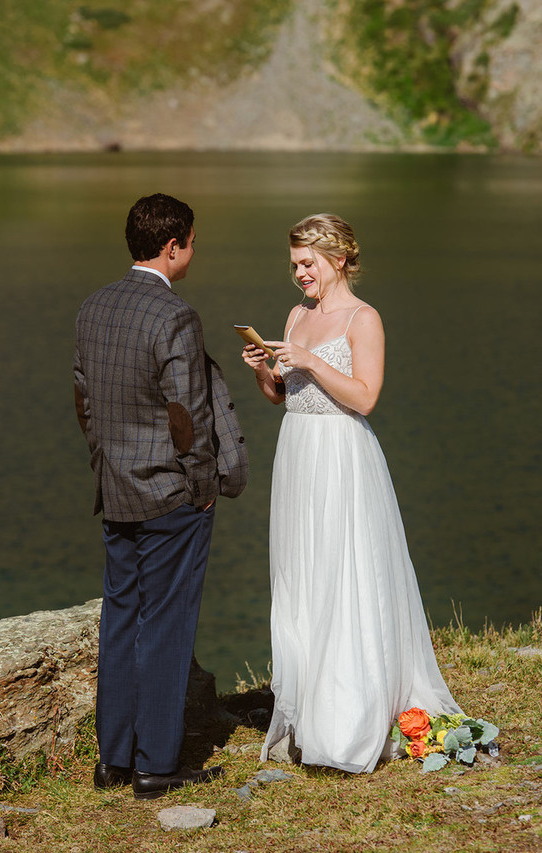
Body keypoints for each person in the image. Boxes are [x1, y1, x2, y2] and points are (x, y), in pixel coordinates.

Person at [242, 213, 461, 773]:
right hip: (298, 455)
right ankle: (308, 706)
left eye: (307, 263)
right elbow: (283, 397)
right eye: (294, 265)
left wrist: (311, 361)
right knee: (305, 574)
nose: (299, 275)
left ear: (338, 259)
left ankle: (348, 719)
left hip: (343, 456)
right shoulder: (296, 315)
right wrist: (265, 372)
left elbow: (365, 398)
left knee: (346, 572)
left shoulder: (364, 319)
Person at [74, 192, 247, 799]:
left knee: (121, 617)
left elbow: (84, 403)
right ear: (173, 246)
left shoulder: (94, 307)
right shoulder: (175, 316)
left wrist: (108, 466)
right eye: (193, 242)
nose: (193, 251)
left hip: (115, 489)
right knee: (168, 623)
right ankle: (156, 763)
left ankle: (113, 760)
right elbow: (187, 415)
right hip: (171, 496)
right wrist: (201, 489)